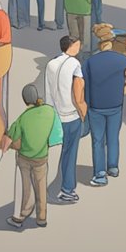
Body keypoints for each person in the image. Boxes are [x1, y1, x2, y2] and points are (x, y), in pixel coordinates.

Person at [5, 84, 59, 230]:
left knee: (26, 186)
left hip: (25, 157)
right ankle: (42, 217)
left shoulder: (23, 118)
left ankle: (23, 213)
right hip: (42, 156)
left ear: (25, 100)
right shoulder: (49, 111)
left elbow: (12, 135)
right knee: (41, 185)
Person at [44, 35, 87, 203]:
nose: (79, 48)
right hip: (70, 116)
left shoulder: (50, 64)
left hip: (54, 115)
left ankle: (45, 187)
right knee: (70, 153)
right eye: (77, 45)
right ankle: (67, 189)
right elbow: (78, 94)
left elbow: (47, 90)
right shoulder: (75, 64)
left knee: (55, 152)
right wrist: (83, 112)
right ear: (71, 47)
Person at [85, 33, 126, 186]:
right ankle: (113, 167)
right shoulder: (122, 60)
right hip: (115, 105)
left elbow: (83, 84)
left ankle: (100, 174)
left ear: (99, 43)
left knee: (98, 140)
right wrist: (123, 91)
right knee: (113, 137)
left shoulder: (90, 62)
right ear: (112, 42)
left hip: (96, 106)